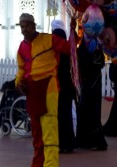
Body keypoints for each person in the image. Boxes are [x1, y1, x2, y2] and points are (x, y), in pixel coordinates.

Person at [15, 13, 70, 167]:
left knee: (49, 132)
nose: (24, 30)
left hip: (48, 88)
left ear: (33, 25)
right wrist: (19, 83)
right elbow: (21, 68)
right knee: (37, 133)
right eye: (22, 26)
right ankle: (38, 163)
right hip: (32, 92)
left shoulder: (49, 39)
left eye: (27, 26)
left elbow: (69, 48)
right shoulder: (22, 47)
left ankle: (51, 164)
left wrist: (75, 31)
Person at [75, 36, 107, 151]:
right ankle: (84, 139)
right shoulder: (83, 48)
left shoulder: (96, 47)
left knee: (93, 110)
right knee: (84, 110)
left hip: (93, 83)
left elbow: (99, 63)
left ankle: (95, 141)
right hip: (85, 83)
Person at [51, 20, 75, 153]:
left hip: (57, 86)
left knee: (58, 115)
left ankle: (60, 142)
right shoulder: (68, 48)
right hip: (67, 85)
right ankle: (68, 143)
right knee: (67, 115)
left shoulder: (55, 49)